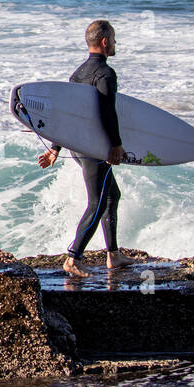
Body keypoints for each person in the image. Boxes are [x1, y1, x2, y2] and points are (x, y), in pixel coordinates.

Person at [37, 19, 135, 278]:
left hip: (81, 147)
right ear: (104, 42)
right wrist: (115, 145)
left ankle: (113, 255)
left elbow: (69, 116)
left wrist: (55, 148)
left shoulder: (77, 75)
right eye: (113, 39)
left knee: (112, 195)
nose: (115, 43)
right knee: (97, 202)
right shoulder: (105, 74)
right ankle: (73, 258)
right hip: (96, 148)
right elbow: (107, 113)